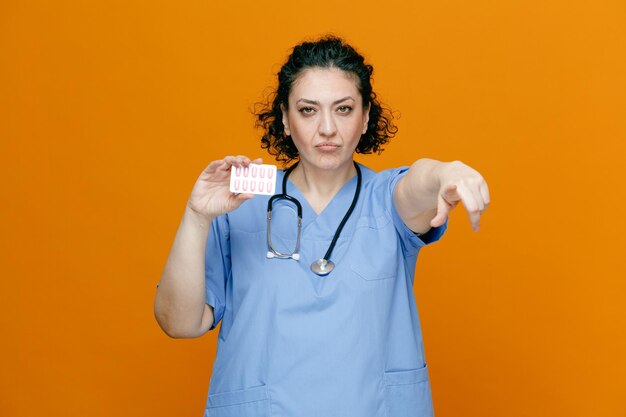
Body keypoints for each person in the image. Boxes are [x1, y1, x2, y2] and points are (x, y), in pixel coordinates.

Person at [154, 35, 490, 417]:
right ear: (284, 117)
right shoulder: (240, 202)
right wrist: (197, 216)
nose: (327, 128)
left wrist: (447, 171)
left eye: (344, 109)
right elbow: (179, 323)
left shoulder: (386, 198)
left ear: (365, 117)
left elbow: (418, 182)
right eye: (308, 110)